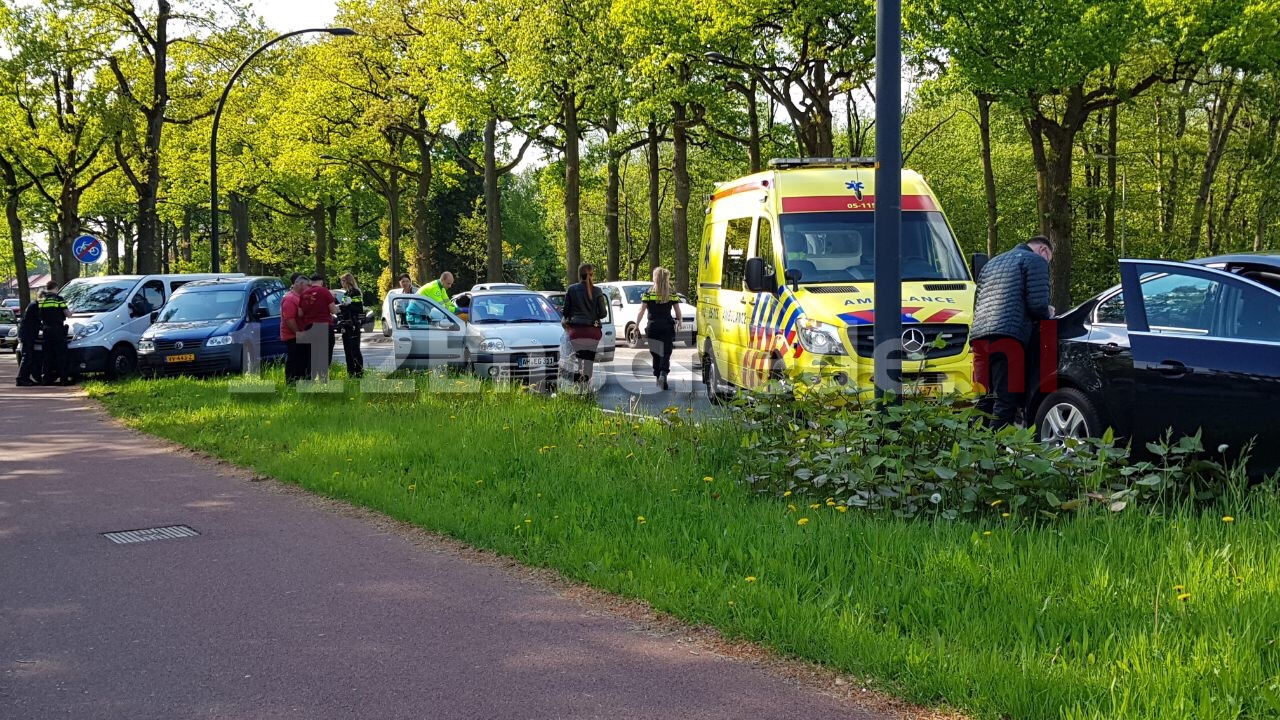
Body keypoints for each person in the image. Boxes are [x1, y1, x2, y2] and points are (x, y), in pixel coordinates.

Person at [970, 235, 1055, 429]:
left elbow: (977, 305)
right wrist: (1048, 312)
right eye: (1049, 258)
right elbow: (1037, 304)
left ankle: (973, 449)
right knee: (1005, 399)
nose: (1047, 263)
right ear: (1043, 250)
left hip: (979, 340)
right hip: (1008, 339)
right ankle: (995, 453)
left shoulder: (991, 265)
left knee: (983, 398)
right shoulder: (1035, 261)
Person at [634, 267, 683, 390]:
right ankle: (663, 373)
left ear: (655, 278)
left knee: (655, 353)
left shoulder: (649, 293)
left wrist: (636, 325)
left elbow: (641, 310)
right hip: (667, 326)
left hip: (653, 326)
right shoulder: (671, 293)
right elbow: (677, 311)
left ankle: (657, 375)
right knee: (666, 352)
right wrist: (680, 321)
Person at [561, 263, 609, 387]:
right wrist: (593, 317)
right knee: (589, 360)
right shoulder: (597, 291)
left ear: (579, 274)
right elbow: (603, 313)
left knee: (578, 359)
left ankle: (578, 382)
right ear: (592, 275)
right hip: (593, 331)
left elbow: (565, 311)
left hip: (576, 331)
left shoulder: (572, 289)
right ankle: (586, 384)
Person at [301, 273, 339, 381]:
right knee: (325, 353)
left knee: (310, 354)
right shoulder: (324, 291)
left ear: (310, 282)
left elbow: (300, 312)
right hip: (324, 326)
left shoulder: (304, 293)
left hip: (308, 327)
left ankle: (309, 380)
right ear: (321, 282)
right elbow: (332, 310)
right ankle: (323, 379)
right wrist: (337, 309)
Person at [38, 281, 73, 385]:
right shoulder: (59, 299)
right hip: (57, 330)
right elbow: (67, 314)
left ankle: (46, 379)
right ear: (56, 288)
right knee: (61, 355)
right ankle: (63, 379)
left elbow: (40, 315)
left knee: (47, 355)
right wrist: (72, 312)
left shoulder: (42, 300)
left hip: (46, 330)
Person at [281, 273, 309, 383]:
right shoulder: (290, 299)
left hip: (300, 334)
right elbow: (289, 320)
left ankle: (300, 381)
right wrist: (299, 334)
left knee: (302, 360)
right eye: (306, 286)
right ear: (300, 284)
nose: (307, 288)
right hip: (293, 335)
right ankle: (292, 382)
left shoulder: (300, 297)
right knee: (294, 360)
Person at [337, 272, 365, 378]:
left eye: (342, 281)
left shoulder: (355, 292)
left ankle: (359, 372)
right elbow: (343, 308)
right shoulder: (346, 293)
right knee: (347, 349)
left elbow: (359, 309)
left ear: (347, 281)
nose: (341, 283)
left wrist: (348, 306)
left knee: (355, 349)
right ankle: (350, 372)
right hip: (346, 325)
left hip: (353, 324)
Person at [15, 291, 45, 386]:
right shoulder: (35, 306)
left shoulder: (33, 305)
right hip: (27, 335)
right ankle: (21, 378)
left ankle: (25, 378)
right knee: (27, 356)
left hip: (26, 334)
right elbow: (37, 320)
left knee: (28, 356)